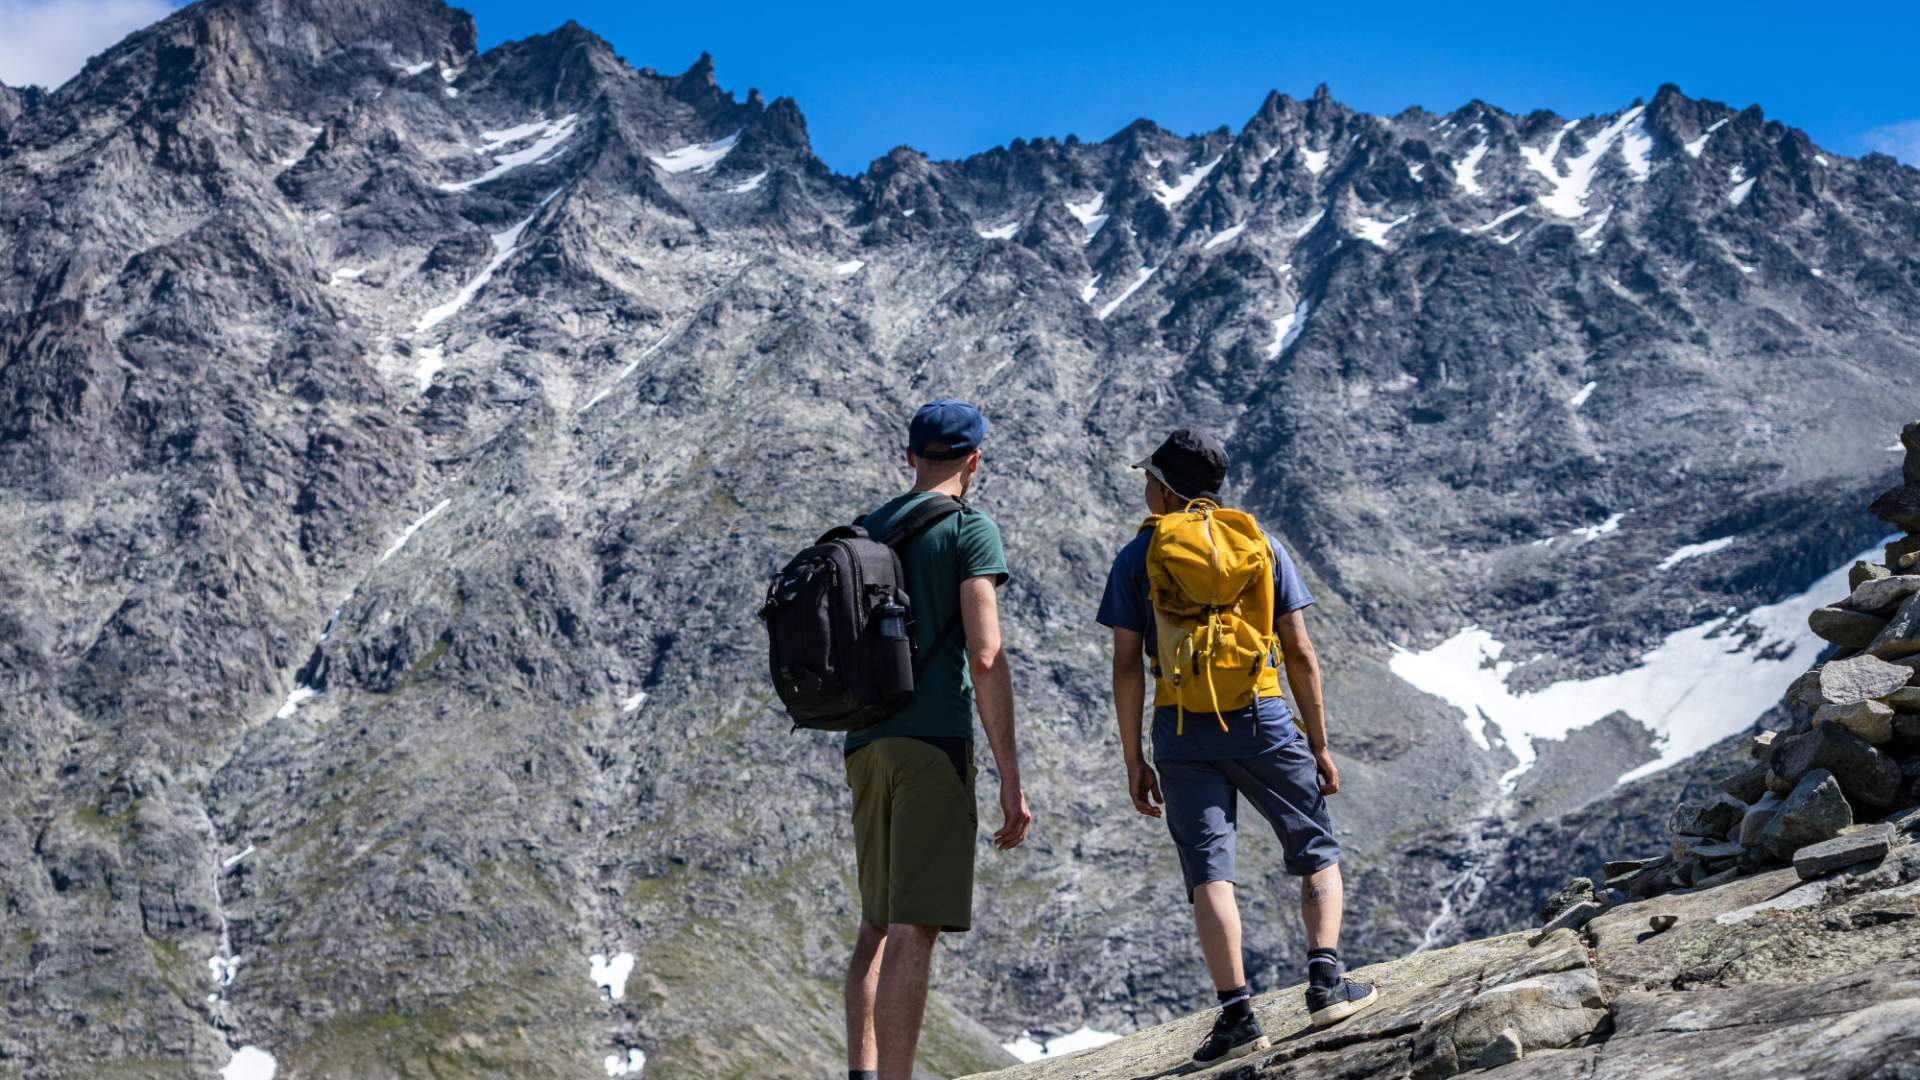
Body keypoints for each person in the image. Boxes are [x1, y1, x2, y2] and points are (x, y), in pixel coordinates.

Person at [1096, 429, 1376, 1066]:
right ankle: (1328, 983)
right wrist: (1321, 742)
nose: (1145, 488)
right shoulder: (1262, 545)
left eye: (1149, 479)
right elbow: (1300, 651)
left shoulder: (1137, 557)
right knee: (1313, 845)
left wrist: (1134, 758)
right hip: (1265, 715)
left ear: (1165, 488)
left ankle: (1237, 1016)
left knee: (1209, 870)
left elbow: (1124, 667)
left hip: (1180, 727)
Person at [842, 400, 1033, 1080]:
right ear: (975, 460)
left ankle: (860, 1072)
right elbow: (986, 654)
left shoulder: (867, 529)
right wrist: (1010, 773)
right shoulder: (969, 529)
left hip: (864, 743)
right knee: (914, 925)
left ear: (910, 455)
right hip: (933, 741)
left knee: (875, 917)